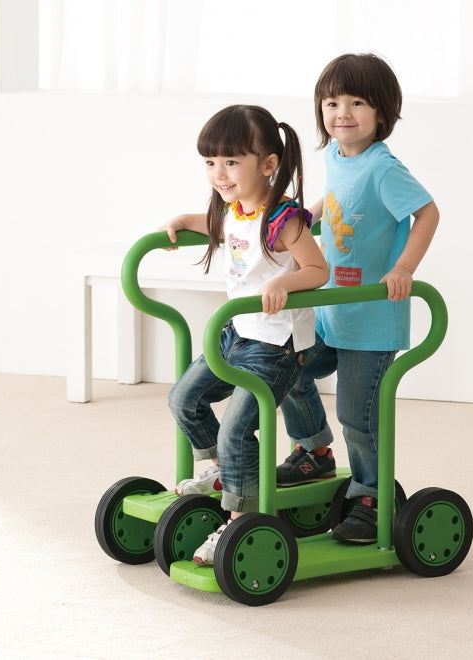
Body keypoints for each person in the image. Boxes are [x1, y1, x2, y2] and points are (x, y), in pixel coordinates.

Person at [278, 53, 440, 545]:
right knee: (283, 367)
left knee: (357, 416)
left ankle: (371, 494)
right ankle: (314, 450)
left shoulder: (384, 168)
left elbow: (427, 213)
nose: (342, 113)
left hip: (370, 321)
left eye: (357, 103)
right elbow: (336, 202)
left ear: (382, 112)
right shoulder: (336, 156)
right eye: (331, 103)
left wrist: (403, 268)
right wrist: (304, 220)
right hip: (332, 311)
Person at [160, 104, 329, 565]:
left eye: (231, 162)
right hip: (237, 333)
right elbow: (219, 225)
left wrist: (284, 282)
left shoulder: (283, 219)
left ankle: (240, 518)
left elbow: (317, 269)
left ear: (268, 164)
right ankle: (223, 472)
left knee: (237, 429)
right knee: (183, 400)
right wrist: (183, 221)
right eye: (210, 162)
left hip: (275, 346)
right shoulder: (233, 208)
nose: (219, 173)